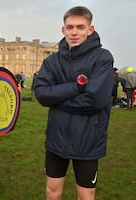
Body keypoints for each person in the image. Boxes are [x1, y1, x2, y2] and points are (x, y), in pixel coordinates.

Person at [33, 6, 114, 200]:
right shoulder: (52, 61)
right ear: (63, 30)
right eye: (70, 27)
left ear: (90, 29)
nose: (74, 32)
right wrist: (76, 88)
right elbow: (41, 93)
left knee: (86, 194)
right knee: (52, 191)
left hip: (88, 138)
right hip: (57, 137)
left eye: (80, 27)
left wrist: (57, 100)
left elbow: (95, 100)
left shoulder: (103, 58)